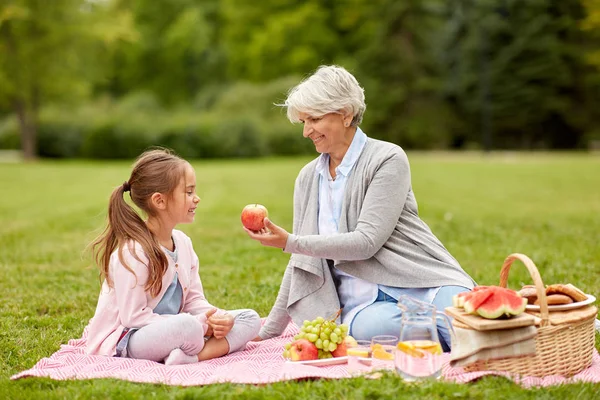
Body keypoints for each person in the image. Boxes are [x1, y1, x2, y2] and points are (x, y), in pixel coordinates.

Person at [245, 65, 475, 351]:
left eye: (314, 119)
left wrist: (290, 242)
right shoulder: (308, 178)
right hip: (364, 305)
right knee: (373, 330)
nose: (306, 132)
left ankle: (452, 333)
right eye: (303, 122)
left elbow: (366, 242)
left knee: (463, 317)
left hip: (421, 281)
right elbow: (302, 262)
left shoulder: (387, 159)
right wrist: (268, 332)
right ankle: (451, 338)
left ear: (345, 114)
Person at [86, 149, 261, 365]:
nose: (196, 198)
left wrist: (216, 318)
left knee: (249, 319)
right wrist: (198, 324)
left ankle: (190, 357)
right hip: (128, 339)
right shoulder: (134, 252)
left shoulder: (184, 244)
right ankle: (203, 348)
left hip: (180, 330)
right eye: (188, 192)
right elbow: (132, 317)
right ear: (160, 201)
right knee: (189, 327)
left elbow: (194, 300)